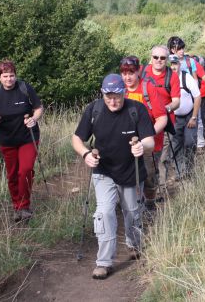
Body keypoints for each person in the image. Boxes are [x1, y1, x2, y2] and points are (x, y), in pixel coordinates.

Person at [71, 74, 155, 280]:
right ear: (102, 94)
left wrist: (141, 147)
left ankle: (134, 243)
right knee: (105, 212)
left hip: (131, 170)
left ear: (124, 92)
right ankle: (104, 262)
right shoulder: (94, 110)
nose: (113, 101)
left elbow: (150, 141)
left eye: (117, 96)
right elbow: (77, 138)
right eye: (108, 96)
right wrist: (85, 154)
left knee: (132, 212)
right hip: (104, 171)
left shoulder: (136, 109)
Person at [0, 59, 44, 222]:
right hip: (7, 140)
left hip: (28, 137)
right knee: (12, 175)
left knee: (24, 170)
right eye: (5, 76)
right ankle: (16, 206)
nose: (9, 79)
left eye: (11, 75)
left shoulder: (24, 88)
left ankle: (24, 206)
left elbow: (39, 108)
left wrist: (34, 118)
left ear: (15, 76)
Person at [120, 56, 168, 208]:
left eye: (131, 73)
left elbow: (162, 118)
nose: (127, 77)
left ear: (138, 71)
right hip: (126, 141)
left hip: (150, 142)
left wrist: (147, 135)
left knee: (148, 174)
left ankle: (150, 203)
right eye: (124, 73)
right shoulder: (119, 90)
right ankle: (128, 204)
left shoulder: (148, 88)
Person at [141, 45, 180, 181]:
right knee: (144, 158)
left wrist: (165, 109)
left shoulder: (172, 76)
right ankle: (146, 190)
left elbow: (176, 102)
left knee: (161, 159)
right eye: (155, 57)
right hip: (143, 123)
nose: (159, 60)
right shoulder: (143, 73)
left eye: (162, 58)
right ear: (151, 58)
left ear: (167, 59)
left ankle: (161, 189)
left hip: (164, 123)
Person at [168, 55, 201, 175]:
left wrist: (194, 117)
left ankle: (189, 168)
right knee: (176, 144)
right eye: (171, 64)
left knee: (189, 142)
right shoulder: (167, 80)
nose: (173, 67)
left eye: (175, 64)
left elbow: (197, 96)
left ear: (179, 65)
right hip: (174, 118)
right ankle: (179, 171)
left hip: (189, 116)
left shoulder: (187, 78)